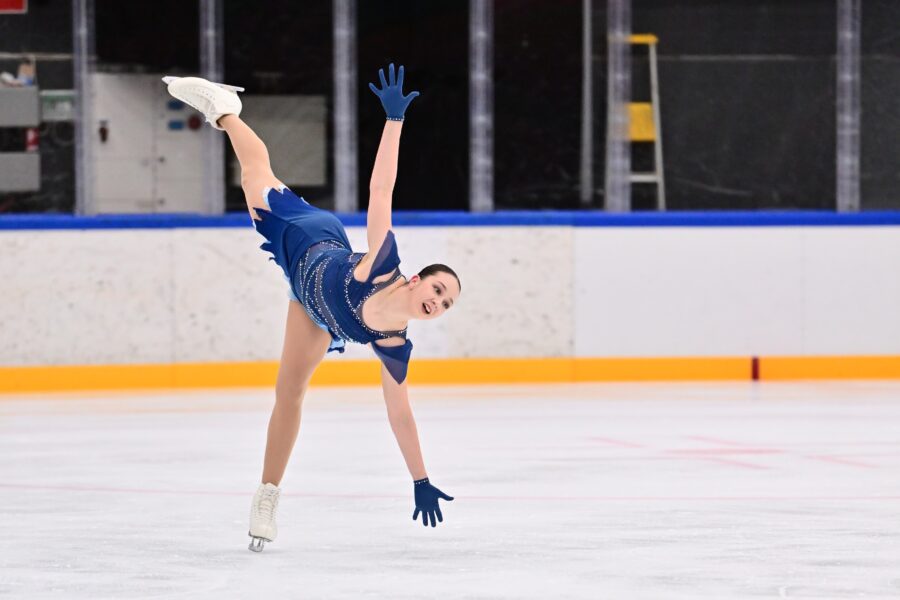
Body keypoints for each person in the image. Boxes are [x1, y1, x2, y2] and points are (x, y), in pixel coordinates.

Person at [163, 64, 458, 552]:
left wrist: (420, 478)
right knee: (256, 177)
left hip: (313, 308)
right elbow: (381, 191)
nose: (438, 302)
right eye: (439, 289)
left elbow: (400, 415)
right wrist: (394, 122)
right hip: (308, 238)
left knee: (289, 393)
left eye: (446, 304)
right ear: (417, 279)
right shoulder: (383, 264)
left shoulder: (393, 345)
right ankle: (227, 111)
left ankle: (266, 496)